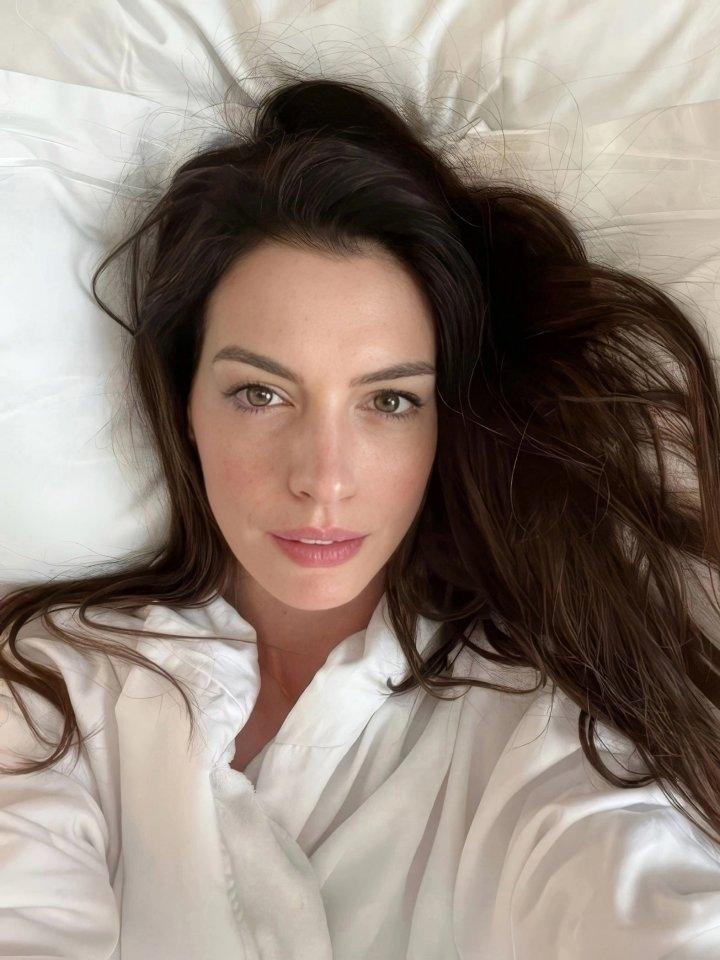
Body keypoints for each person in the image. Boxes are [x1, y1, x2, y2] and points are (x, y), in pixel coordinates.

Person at [1, 74, 720, 959]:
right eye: (260, 393)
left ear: (444, 419)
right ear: (184, 404)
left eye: (389, 402)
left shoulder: (540, 724)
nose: (324, 480)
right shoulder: (51, 691)